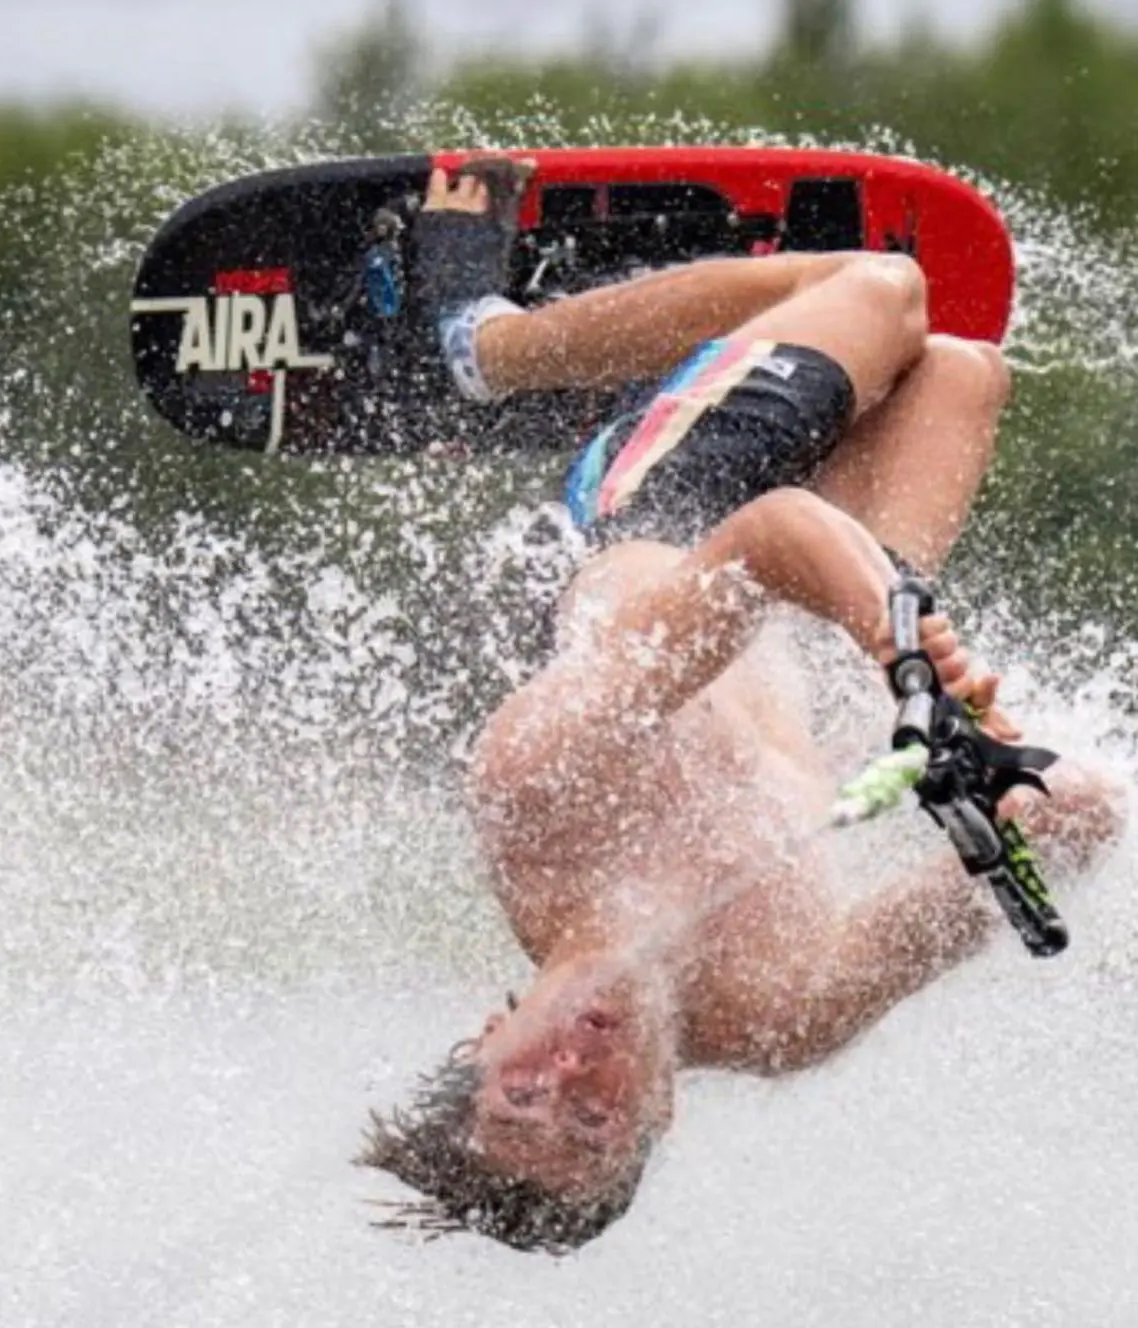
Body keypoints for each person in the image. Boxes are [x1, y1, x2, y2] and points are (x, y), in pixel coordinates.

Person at [358, 164, 1125, 1253]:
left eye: (524, 1092)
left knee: (883, 286)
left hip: (682, 508)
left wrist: (907, 662)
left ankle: (480, 349)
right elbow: (1081, 812)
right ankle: (698, 352)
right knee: (956, 370)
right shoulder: (784, 1013)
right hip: (838, 604)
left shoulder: (538, 801)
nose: (574, 1069)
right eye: (591, 1120)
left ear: (486, 1036)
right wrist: (1004, 787)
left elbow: (766, 538)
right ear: (660, 1114)